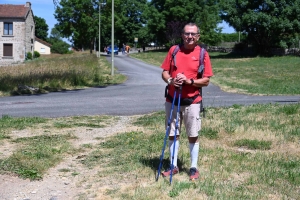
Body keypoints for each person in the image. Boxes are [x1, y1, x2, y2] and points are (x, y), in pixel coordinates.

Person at [160, 22, 213, 181]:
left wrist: (189, 82)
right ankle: (173, 166)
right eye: (187, 33)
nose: (190, 37)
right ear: (182, 35)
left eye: (193, 34)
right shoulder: (174, 50)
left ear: (198, 36)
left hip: (192, 101)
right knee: (172, 133)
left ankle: (193, 168)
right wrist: (171, 81)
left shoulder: (203, 53)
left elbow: (206, 81)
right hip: (172, 99)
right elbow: (164, 72)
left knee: (193, 134)